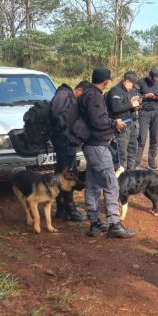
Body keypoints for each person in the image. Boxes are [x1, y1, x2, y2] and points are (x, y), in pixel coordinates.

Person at [79, 67, 137, 239]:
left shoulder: (86, 93)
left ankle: (95, 223)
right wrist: (114, 124)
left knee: (93, 185)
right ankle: (114, 224)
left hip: (89, 145)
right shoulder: (95, 95)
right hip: (98, 146)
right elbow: (98, 121)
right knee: (111, 185)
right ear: (106, 81)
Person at [50, 80, 90, 221]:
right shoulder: (64, 96)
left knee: (62, 174)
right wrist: (72, 131)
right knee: (68, 175)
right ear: (78, 91)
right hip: (65, 143)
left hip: (64, 142)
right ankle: (70, 210)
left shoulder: (64, 95)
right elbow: (59, 118)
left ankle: (62, 209)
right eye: (83, 96)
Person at [106, 72, 142, 171]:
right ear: (126, 81)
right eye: (132, 85)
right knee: (121, 155)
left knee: (132, 151)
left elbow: (126, 107)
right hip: (120, 127)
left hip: (130, 124)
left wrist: (135, 106)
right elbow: (116, 108)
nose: (133, 88)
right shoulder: (115, 91)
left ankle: (131, 175)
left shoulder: (128, 91)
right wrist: (131, 104)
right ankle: (120, 179)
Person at [137, 67, 158, 171]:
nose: (155, 80)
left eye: (157, 78)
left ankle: (151, 163)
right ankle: (136, 164)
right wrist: (145, 96)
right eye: (153, 78)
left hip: (156, 112)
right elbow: (135, 96)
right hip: (144, 113)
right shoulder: (141, 82)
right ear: (149, 76)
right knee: (141, 139)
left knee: (154, 139)